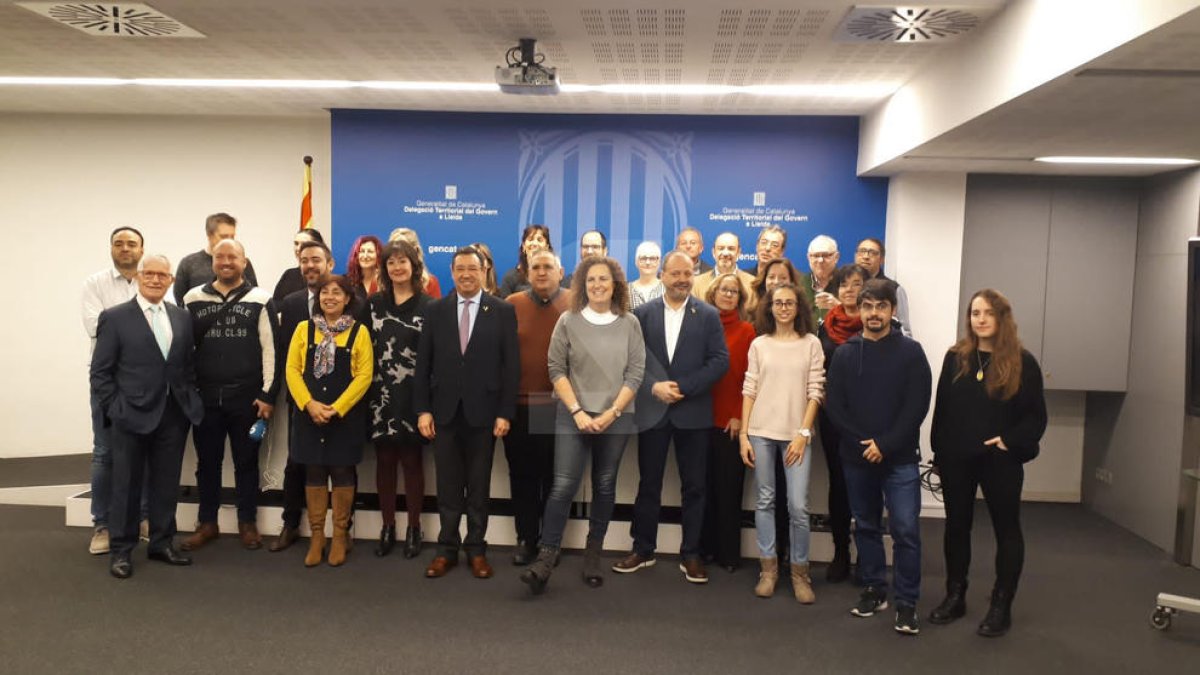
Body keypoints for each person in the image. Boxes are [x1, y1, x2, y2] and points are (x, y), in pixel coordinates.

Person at [520, 256, 645, 595]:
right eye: (591, 280)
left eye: (604, 279)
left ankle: (593, 555)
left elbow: (635, 373)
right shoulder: (568, 320)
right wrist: (576, 411)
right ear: (582, 285)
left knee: (604, 485)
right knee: (562, 486)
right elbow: (556, 368)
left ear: (615, 283)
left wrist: (611, 413)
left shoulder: (630, 322)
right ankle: (545, 560)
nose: (598, 285)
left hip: (616, 417)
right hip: (572, 415)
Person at [929, 289, 1047, 638]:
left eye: (987, 313)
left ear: (1002, 318)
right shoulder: (956, 358)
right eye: (974, 312)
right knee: (956, 527)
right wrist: (939, 453)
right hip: (956, 460)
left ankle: (1001, 604)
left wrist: (1009, 441)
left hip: (1000, 461)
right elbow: (943, 410)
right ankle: (955, 595)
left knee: (1007, 530)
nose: (979, 319)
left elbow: (1035, 418)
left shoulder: (1022, 362)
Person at [824, 278, 931, 636]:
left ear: (892, 310)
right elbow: (835, 405)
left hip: (898, 458)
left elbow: (916, 406)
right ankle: (873, 589)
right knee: (866, 526)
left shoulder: (911, 352)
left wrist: (884, 444)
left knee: (904, 529)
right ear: (861, 309)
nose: (873, 313)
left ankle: (906, 602)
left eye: (881, 306)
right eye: (867, 306)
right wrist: (860, 443)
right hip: (856, 458)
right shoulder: (845, 353)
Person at [614, 251, 729, 584]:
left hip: (693, 413)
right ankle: (643, 549)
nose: (681, 279)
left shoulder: (708, 315)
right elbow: (632, 359)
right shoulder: (642, 314)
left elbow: (720, 361)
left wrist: (684, 387)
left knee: (695, 486)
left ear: (693, 275)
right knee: (648, 484)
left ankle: (691, 554)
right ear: (662, 275)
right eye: (675, 273)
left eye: (687, 273)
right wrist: (653, 387)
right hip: (654, 413)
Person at [90, 254, 205, 579]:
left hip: (173, 414)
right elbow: (100, 373)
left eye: (162, 275)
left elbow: (186, 366)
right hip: (130, 415)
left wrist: (189, 398)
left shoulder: (181, 318)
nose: (156, 279)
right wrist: (116, 408)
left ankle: (161, 543)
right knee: (125, 485)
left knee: (166, 483)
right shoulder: (114, 317)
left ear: (170, 280)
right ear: (140, 277)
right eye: (150, 274)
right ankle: (121, 550)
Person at [415, 247, 519, 579]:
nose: (465, 274)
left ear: (484, 270)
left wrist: (505, 412)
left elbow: (511, 366)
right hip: (443, 413)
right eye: (459, 268)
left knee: (478, 487)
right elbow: (422, 366)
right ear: (452, 271)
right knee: (447, 487)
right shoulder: (436, 310)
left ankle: (476, 549)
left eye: (472, 268)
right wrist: (422, 411)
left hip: (484, 414)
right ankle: (446, 548)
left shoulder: (502, 310)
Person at [181, 240, 278, 552]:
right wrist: (188, 391)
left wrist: (267, 394)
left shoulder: (261, 299)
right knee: (206, 464)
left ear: (244, 261)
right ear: (212, 262)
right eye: (220, 256)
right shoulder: (192, 299)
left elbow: (271, 351)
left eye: (232, 256)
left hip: (247, 400)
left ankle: (247, 523)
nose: (225, 262)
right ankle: (206, 523)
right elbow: (184, 350)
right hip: (205, 399)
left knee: (246, 462)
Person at [739, 283, 824, 603]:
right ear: (770, 308)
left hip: (796, 436)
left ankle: (800, 572)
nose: (784, 307)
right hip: (761, 432)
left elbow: (816, 391)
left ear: (799, 307)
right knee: (765, 500)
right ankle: (768, 570)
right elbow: (749, 390)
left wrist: (803, 434)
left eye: (789, 303)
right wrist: (744, 435)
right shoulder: (759, 344)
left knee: (799, 506)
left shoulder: (811, 344)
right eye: (778, 303)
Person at [285, 274, 373, 567]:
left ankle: (339, 536)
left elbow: (364, 375)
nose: (330, 297)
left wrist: (337, 407)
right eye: (325, 292)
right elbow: (292, 371)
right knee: (314, 474)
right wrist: (309, 404)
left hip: (343, 418)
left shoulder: (359, 332)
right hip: (309, 415)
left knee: (343, 473)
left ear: (348, 299)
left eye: (337, 293)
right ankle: (317, 537)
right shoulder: (303, 329)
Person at [82, 227, 150, 555]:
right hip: (108, 382)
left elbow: (163, 327)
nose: (125, 248)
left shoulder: (152, 281)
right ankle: (103, 524)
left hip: (147, 382)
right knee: (105, 453)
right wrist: (138, 328)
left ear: (142, 248)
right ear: (111, 247)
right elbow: (95, 325)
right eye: (119, 243)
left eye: (132, 243)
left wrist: (124, 327)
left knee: (146, 450)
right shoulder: (95, 284)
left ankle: (143, 518)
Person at [365, 240, 431, 559]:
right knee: (385, 462)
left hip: (414, 396)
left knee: (412, 461)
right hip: (379, 394)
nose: (397, 267)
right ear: (384, 269)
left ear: (414, 266)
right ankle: (387, 526)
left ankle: (414, 527)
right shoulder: (373, 304)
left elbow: (432, 359)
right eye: (391, 262)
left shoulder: (429, 306)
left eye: (403, 261)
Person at [504, 249, 571, 565]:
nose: (542, 272)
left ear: (561, 271)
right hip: (519, 405)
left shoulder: (575, 304)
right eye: (536, 267)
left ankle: (550, 543)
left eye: (548, 267)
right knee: (522, 477)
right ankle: (525, 539)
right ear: (527, 273)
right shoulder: (512, 305)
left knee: (554, 479)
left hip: (559, 407)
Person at [268, 240, 335, 552]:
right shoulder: (291, 303)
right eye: (305, 260)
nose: (310, 266)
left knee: (340, 465)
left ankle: (340, 532)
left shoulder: (351, 301)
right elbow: (285, 355)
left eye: (316, 260)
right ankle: (290, 524)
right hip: (300, 398)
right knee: (295, 463)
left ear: (329, 264)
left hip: (338, 401)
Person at [816, 263, 869, 582]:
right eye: (844, 285)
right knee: (839, 482)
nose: (850, 290)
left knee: (866, 484)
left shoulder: (876, 325)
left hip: (867, 418)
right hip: (833, 416)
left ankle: (868, 553)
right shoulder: (825, 326)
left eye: (856, 284)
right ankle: (840, 552)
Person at [699, 272, 755, 572]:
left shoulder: (747, 331)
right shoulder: (701, 327)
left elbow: (749, 379)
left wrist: (739, 416)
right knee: (702, 488)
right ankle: (703, 549)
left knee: (729, 489)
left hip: (730, 421)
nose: (729, 294)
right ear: (713, 293)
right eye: (724, 289)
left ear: (740, 298)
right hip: (698, 419)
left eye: (734, 291)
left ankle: (729, 554)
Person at [174, 213, 258, 305]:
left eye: (232, 237)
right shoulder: (188, 264)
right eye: (224, 236)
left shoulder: (242, 263)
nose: (229, 241)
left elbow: (254, 298)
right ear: (209, 235)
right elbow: (181, 303)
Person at [854, 238, 913, 337]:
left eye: (872, 253)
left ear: (882, 259)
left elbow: (905, 331)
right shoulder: (845, 287)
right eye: (862, 251)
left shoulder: (894, 289)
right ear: (856, 256)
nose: (866, 256)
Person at [693, 231, 756, 300]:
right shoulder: (696, 284)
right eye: (721, 248)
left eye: (731, 249)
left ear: (738, 252)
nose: (725, 253)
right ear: (714, 252)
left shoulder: (752, 284)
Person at [497, 224, 553, 298]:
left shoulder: (555, 276)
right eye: (530, 239)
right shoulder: (510, 277)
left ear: (547, 246)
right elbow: (504, 308)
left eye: (539, 240)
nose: (535, 243)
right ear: (523, 246)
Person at [273, 228, 326, 305]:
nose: (298, 248)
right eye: (296, 243)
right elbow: (276, 305)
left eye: (304, 244)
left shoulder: (326, 277)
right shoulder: (289, 275)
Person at [388, 227, 443, 298]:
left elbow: (436, 308)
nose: (398, 254)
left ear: (415, 251)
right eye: (394, 249)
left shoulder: (430, 283)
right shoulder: (379, 283)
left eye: (403, 250)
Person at [801, 235, 840, 326]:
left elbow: (860, 317)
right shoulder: (799, 284)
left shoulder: (848, 282)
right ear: (809, 258)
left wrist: (839, 307)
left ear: (836, 257)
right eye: (815, 255)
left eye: (826, 255)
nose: (820, 260)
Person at [347, 234, 384, 300]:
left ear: (378, 255)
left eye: (370, 251)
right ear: (356, 255)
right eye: (362, 251)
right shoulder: (347, 281)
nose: (365, 256)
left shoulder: (385, 281)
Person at [629, 241, 664, 309]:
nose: (648, 262)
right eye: (643, 258)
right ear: (636, 262)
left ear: (659, 262)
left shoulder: (667, 289)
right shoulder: (626, 291)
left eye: (652, 258)